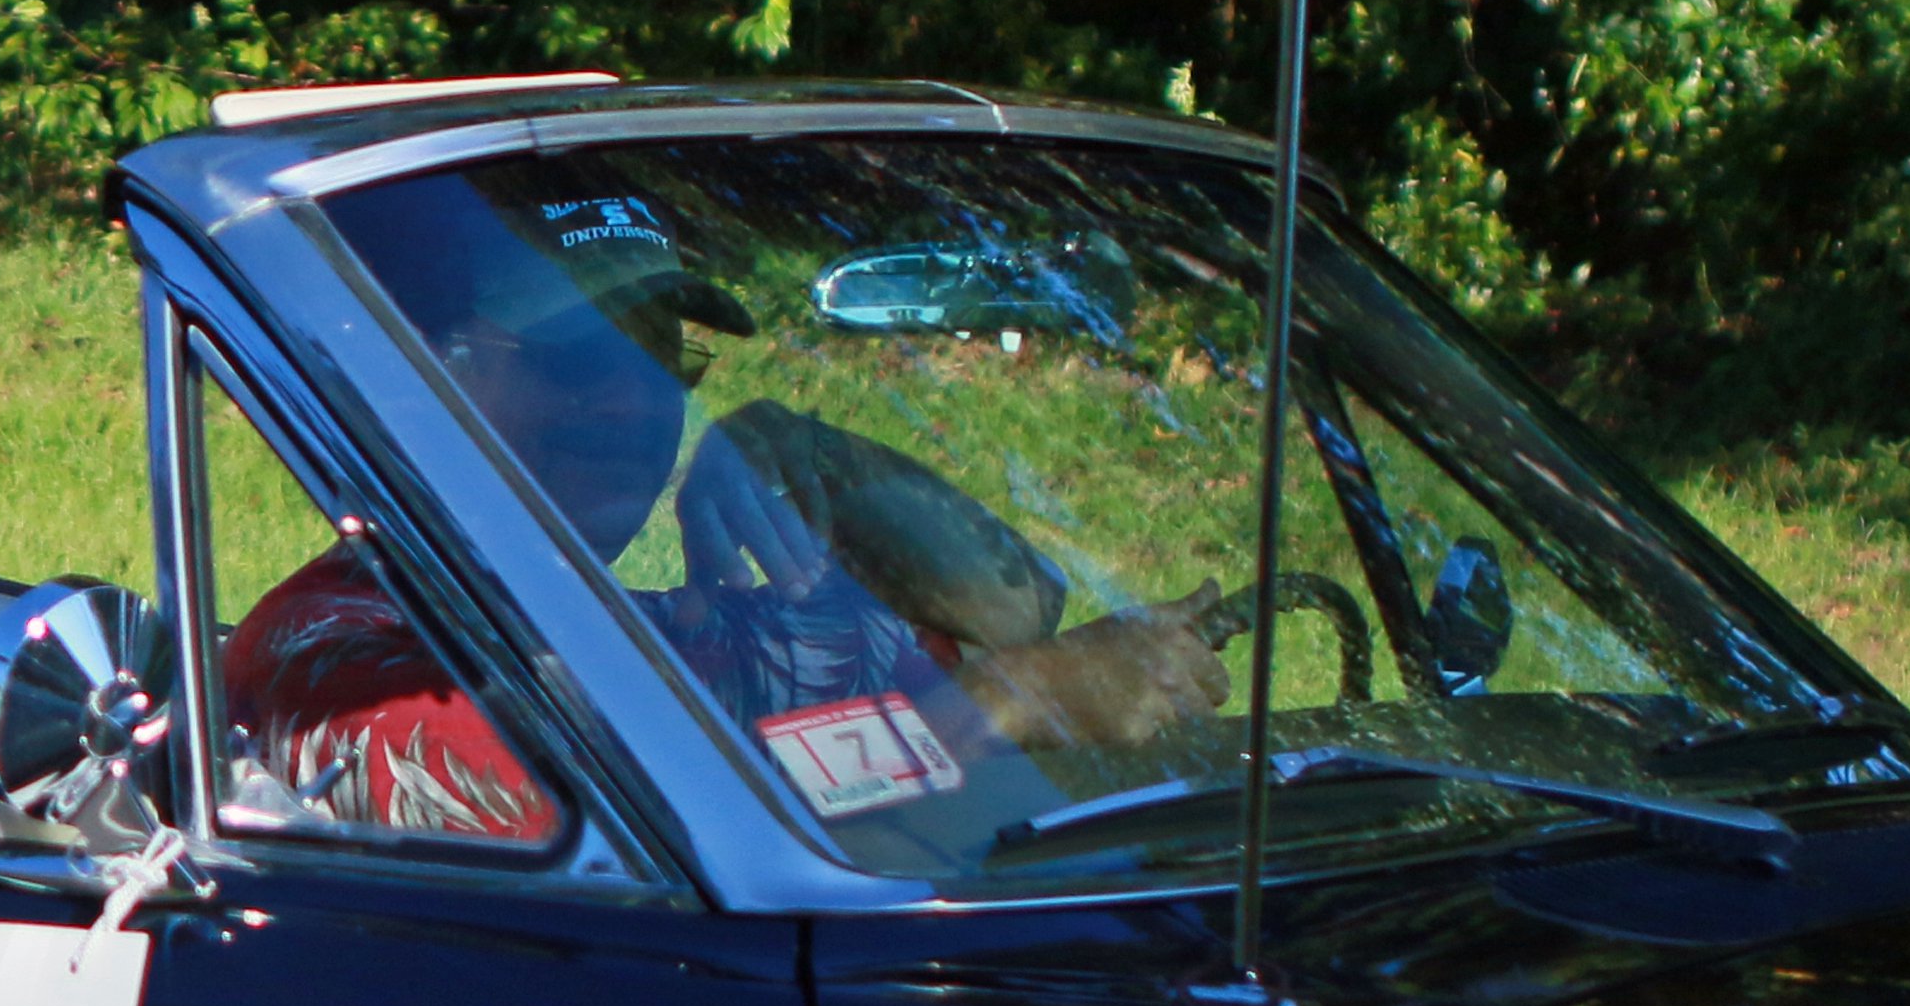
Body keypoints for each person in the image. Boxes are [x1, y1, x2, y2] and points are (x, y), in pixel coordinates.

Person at [229, 179, 1224, 833]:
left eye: (664, 354)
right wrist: (1001, 709)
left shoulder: (653, 637)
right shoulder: (334, 661)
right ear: (418, 382)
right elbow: (626, 817)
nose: (634, 400)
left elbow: (1009, 613)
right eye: (581, 354)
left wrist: (811, 454)